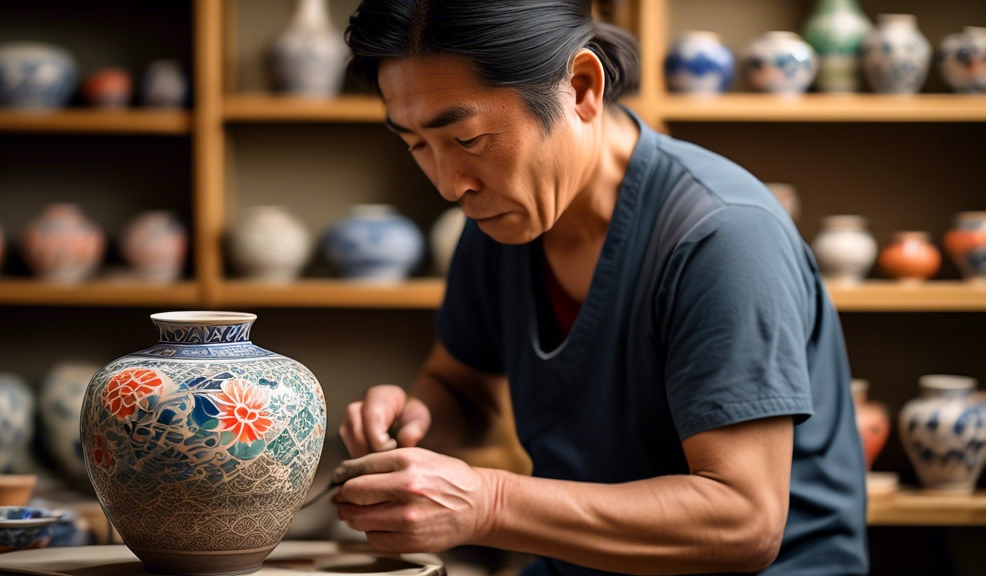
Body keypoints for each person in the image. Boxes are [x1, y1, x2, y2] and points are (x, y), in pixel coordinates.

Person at [331, 1, 868, 575]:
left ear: (582, 88)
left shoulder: (722, 235)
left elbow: (743, 521)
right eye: (415, 144)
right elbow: (463, 388)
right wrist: (412, 422)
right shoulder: (502, 220)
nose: (447, 184)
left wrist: (489, 503)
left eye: (466, 139)